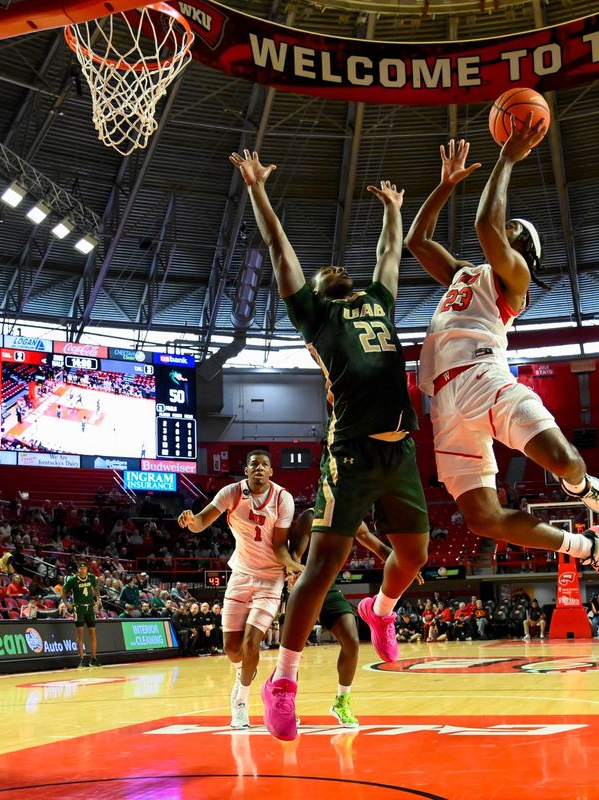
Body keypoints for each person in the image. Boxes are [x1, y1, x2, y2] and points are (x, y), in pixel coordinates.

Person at [230, 150, 430, 742]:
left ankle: (382, 611)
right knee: (321, 569)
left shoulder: (377, 301)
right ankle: (284, 683)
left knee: (415, 557)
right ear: (314, 293)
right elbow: (279, 249)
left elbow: (389, 256)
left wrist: (395, 210)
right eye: (320, 272)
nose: (330, 269)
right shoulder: (314, 314)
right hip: (351, 453)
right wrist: (260, 192)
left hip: (401, 452)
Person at [405, 134, 599, 602]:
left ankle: (580, 484)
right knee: (482, 518)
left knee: (565, 462)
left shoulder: (516, 277)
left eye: (515, 231)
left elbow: (487, 222)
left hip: (485, 378)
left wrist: (507, 156)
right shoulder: (467, 272)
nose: (506, 229)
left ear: (523, 249)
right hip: (444, 403)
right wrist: (445, 185)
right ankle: (589, 548)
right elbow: (416, 240)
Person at [177, 451, 298, 730]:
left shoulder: (283, 499)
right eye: (253, 463)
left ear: (271, 472)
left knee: (251, 642)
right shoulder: (231, 492)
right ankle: (247, 676)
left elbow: (281, 546)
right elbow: (201, 522)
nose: (259, 467)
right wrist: (190, 520)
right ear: (246, 470)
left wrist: (292, 566)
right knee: (232, 648)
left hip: (270, 578)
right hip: (240, 574)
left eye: (264, 464)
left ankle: (241, 701)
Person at [286, 510, 421, 728]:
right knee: (295, 648)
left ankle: (342, 701)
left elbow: (376, 545)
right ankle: (287, 702)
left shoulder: (350, 518)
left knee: (351, 640)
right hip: (303, 585)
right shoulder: (310, 517)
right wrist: (293, 576)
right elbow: (294, 555)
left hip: (329, 587)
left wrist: (405, 566)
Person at [60, 563, 101, 668]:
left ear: (87, 569)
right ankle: (81, 659)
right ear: (78, 570)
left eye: (84, 568)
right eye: (81, 568)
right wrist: (66, 603)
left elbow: (96, 588)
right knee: (80, 634)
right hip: (79, 608)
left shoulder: (91, 578)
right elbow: (63, 590)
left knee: (92, 632)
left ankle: (93, 658)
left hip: (90, 608)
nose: (82, 570)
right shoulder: (73, 580)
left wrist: (98, 598)